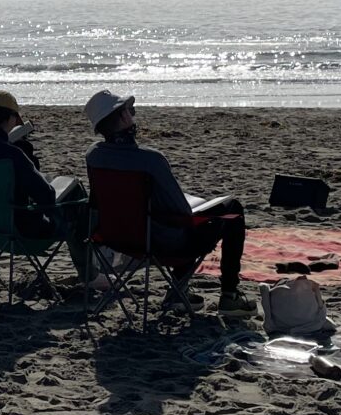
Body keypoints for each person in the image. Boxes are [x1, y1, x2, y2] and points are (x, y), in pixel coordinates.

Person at [83, 90, 250, 314]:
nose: (133, 115)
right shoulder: (151, 159)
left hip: (118, 238)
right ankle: (230, 295)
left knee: (169, 220)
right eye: (129, 111)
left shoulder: (94, 156)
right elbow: (181, 212)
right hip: (160, 243)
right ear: (123, 118)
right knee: (232, 210)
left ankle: (178, 295)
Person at [0, 92, 84, 247]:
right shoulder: (11, 154)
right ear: (8, 118)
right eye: (16, 117)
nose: (17, 122)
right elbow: (47, 196)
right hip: (23, 231)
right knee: (76, 195)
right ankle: (90, 264)